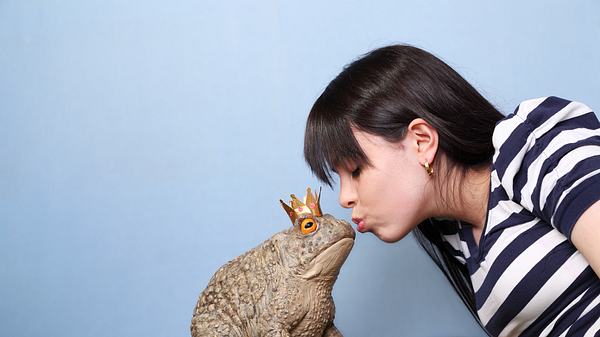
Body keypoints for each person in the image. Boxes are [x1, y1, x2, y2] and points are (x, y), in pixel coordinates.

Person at [303, 44, 600, 337]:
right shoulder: (460, 240)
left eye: (355, 169)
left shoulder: (535, 149)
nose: (344, 198)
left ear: (421, 141)